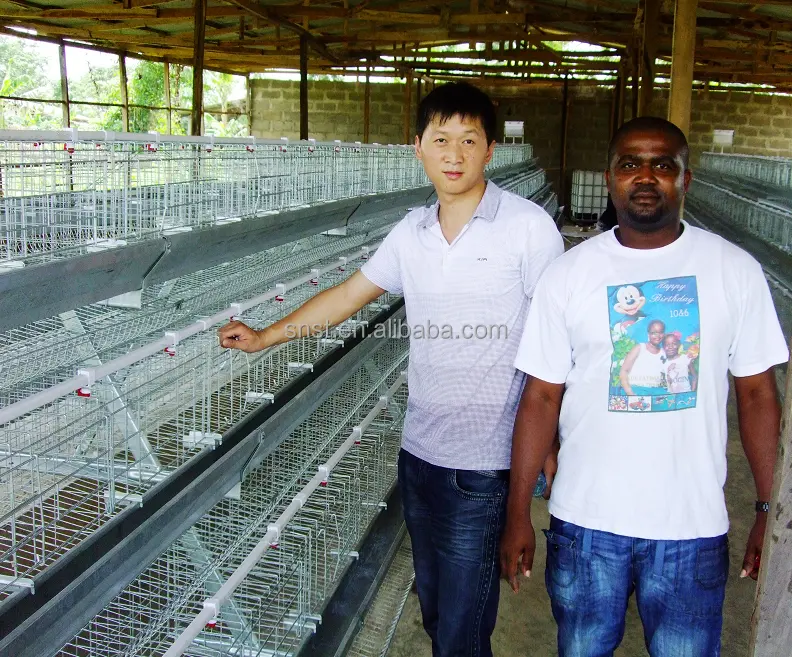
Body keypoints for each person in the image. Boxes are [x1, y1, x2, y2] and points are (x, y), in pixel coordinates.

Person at [218, 82, 564, 657]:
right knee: (435, 613)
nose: (454, 154)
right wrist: (266, 337)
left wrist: (544, 454)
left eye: (469, 140)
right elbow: (350, 295)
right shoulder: (413, 231)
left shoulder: (528, 229)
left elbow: (557, 345)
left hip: (485, 466)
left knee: (462, 629)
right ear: (419, 148)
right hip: (420, 455)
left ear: (490, 151)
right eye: (441, 139)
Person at [500, 116, 789, 656]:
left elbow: (757, 395)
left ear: (686, 179)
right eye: (631, 163)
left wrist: (769, 509)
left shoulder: (734, 270)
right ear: (610, 178)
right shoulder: (569, 275)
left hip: (691, 527)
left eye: (664, 164)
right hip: (585, 524)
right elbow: (540, 395)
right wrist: (519, 512)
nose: (646, 176)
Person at [618, 319, 666, 396]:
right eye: (654, 333)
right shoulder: (639, 348)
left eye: (660, 332)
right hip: (636, 390)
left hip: (656, 392)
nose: (658, 336)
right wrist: (630, 393)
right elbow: (623, 371)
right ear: (648, 334)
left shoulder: (664, 352)